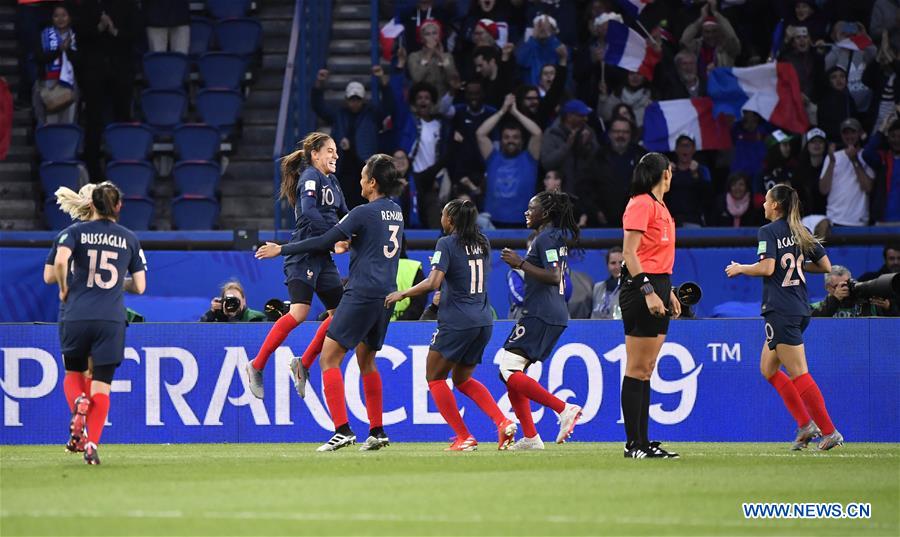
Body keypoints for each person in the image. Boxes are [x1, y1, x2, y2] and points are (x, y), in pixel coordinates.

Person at [256, 154, 404, 452]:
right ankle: (377, 431)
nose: (360, 181)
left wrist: (281, 249)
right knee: (367, 362)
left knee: (329, 359)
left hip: (361, 293)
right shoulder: (396, 212)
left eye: (363, 176)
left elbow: (322, 242)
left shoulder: (363, 212)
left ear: (373, 182)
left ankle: (342, 430)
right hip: (385, 295)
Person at [385, 199, 517, 451]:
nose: (441, 219)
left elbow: (433, 282)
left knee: (434, 377)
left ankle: (463, 437)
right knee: (462, 378)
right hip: (482, 320)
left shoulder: (446, 243)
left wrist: (401, 294)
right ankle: (502, 421)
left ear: (451, 220)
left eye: (443, 214)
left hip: (457, 321)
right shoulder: (482, 242)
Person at [725, 184, 843, 451]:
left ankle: (829, 430)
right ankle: (805, 425)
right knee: (768, 369)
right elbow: (825, 266)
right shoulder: (801, 231)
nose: (763, 205)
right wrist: (799, 265)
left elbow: (767, 267)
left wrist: (741, 268)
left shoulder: (767, 231)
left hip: (781, 309)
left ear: (776, 205)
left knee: (799, 372)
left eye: (766, 201)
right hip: (798, 306)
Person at [245, 133, 349, 401]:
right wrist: (337, 234)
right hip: (303, 256)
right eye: (330, 150)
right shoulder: (310, 178)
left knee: (341, 315)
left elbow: (345, 214)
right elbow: (309, 213)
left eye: (336, 151)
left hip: (322, 258)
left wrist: (352, 232)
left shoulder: (333, 181)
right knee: (300, 313)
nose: (335, 155)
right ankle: (257, 364)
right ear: (315, 154)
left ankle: (303, 363)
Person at [53, 182, 147, 465]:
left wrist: (62, 287)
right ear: (118, 206)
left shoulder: (72, 233)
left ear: (91, 203)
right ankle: (91, 443)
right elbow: (140, 287)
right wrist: (118, 281)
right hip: (111, 317)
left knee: (74, 373)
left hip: (76, 312)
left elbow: (58, 264)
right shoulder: (128, 238)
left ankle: (78, 405)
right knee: (102, 385)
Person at [497, 190, 584, 451]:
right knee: (512, 372)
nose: (526, 212)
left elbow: (554, 276)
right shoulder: (551, 237)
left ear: (544, 213)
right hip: (550, 312)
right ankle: (531, 438)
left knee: (508, 369)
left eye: (531, 207)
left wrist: (520, 263)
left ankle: (563, 408)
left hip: (542, 313)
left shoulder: (546, 237)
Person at [618, 152, 680, 459]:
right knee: (637, 368)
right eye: (670, 171)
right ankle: (634, 444)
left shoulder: (660, 206)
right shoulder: (641, 203)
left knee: (647, 370)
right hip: (641, 288)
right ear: (664, 174)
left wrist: (666, 291)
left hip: (658, 284)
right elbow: (630, 254)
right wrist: (649, 292)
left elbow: (656, 257)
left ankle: (643, 441)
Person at [312, 68, 392, 209]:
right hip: (342, 168)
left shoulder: (372, 114)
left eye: (357, 99)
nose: (354, 103)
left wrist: (383, 83)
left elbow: (388, 106)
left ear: (363, 99)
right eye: (351, 99)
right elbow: (319, 107)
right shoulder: (339, 114)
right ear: (346, 99)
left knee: (364, 205)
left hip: (364, 167)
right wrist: (319, 84)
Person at [476, 93, 543, 227]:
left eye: (515, 137)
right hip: (493, 223)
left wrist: (515, 112)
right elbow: (480, 133)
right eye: (506, 137)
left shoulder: (529, 158)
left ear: (521, 141)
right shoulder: (493, 157)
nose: (510, 140)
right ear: (501, 140)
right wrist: (502, 111)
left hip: (524, 223)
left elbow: (537, 133)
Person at [819, 118, 874, 226]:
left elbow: (868, 188)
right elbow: (823, 190)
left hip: (858, 222)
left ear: (860, 133)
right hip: (833, 220)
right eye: (846, 133)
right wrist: (831, 162)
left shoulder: (867, 156)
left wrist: (854, 160)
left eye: (853, 132)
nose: (849, 136)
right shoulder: (833, 156)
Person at [33, 4, 79, 125]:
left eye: (64, 15)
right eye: (56, 16)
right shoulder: (44, 34)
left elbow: (80, 61)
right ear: (52, 18)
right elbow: (39, 58)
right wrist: (59, 50)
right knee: (50, 123)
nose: (60, 19)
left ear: (70, 17)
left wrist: (67, 49)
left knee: (68, 123)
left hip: (70, 84)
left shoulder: (76, 35)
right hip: (48, 83)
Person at [811, 265, 893, 317]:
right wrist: (835, 300)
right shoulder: (815, 307)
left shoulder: (868, 304)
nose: (845, 288)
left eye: (847, 284)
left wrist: (888, 308)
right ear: (828, 288)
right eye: (840, 286)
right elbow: (814, 324)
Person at [199, 280, 265, 322]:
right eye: (229, 300)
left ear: (244, 300)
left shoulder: (256, 318)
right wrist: (212, 312)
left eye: (236, 300)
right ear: (223, 302)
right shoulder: (217, 319)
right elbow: (197, 332)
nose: (232, 304)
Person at [591, 246, 623, 320]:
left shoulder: (631, 289)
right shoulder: (598, 288)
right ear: (607, 265)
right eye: (613, 263)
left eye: (621, 263)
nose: (617, 267)